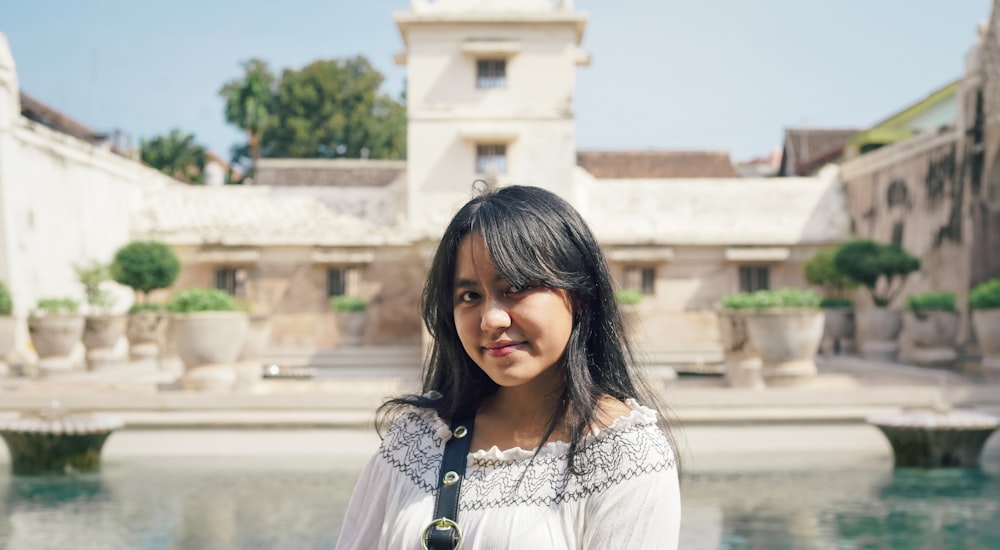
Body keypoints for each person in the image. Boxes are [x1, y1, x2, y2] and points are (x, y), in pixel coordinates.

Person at [336, 185, 681, 550]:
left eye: (515, 287)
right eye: (470, 296)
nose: (491, 318)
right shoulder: (417, 440)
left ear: (578, 295)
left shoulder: (626, 457)